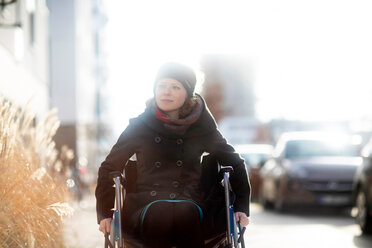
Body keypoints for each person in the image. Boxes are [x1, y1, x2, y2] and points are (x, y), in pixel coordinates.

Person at [95, 62, 251, 248]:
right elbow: (109, 167)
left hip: (193, 201)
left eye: (175, 87)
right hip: (146, 204)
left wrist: (241, 208)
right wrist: (105, 213)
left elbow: (235, 163)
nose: (166, 92)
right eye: (162, 86)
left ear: (187, 94)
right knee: (161, 211)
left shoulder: (202, 127)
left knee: (184, 212)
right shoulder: (140, 126)